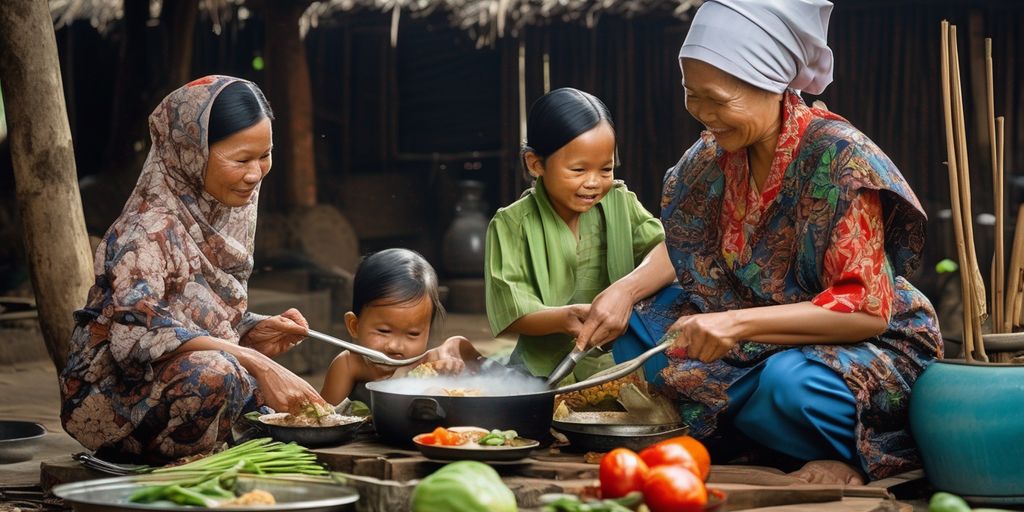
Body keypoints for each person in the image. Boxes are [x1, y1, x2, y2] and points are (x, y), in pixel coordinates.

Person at [575, 0, 941, 484]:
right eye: (691, 94)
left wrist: (735, 323)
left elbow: (866, 309)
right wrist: (624, 289)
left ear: (770, 84)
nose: (703, 115)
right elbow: (687, 240)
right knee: (641, 329)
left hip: (859, 341)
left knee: (790, 385)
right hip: (754, 334)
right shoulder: (712, 154)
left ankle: (839, 453)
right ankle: (763, 432)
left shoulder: (840, 161)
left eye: (717, 100)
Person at [60, 76, 328, 464]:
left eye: (265, 155)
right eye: (240, 159)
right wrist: (253, 360)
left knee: (269, 401)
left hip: (177, 382)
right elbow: (138, 334)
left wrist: (250, 331)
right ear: (191, 153)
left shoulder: (225, 213)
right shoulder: (147, 231)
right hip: (117, 404)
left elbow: (190, 314)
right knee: (217, 375)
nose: (256, 174)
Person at [485, 88, 671, 382]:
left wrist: (624, 291)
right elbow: (509, 312)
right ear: (536, 164)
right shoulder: (511, 224)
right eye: (579, 169)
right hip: (540, 371)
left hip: (620, 364)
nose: (594, 182)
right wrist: (564, 317)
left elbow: (669, 254)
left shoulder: (621, 203)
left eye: (606, 168)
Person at [320, 248, 482, 405]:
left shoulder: (426, 363)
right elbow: (323, 421)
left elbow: (466, 350)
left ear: (427, 332)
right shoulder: (349, 364)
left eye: (413, 334)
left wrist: (451, 362)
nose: (395, 346)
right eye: (383, 331)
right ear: (354, 326)